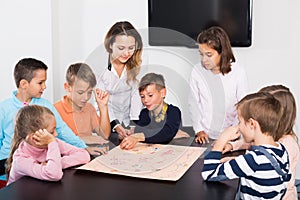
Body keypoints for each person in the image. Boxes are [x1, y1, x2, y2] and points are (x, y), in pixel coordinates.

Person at [0, 58, 97, 184]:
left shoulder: (45, 105)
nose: (44, 86)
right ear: (24, 84)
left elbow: (62, 129)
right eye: (40, 83)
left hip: (40, 164)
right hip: (7, 167)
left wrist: (82, 147)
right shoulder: (4, 108)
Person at [202, 92, 291, 199]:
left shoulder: (253, 160)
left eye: (240, 122)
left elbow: (209, 174)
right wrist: (238, 161)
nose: (238, 127)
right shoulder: (281, 150)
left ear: (252, 124)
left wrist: (221, 140)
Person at [222, 85, 299, 200]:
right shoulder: (270, 137)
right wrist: (232, 145)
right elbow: (251, 144)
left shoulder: (287, 144)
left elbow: (265, 163)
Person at [188, 26, 248, 144]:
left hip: (231, 135)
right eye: (201, 54)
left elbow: (243, 106)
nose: (204, 59)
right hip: (205, 135)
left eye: (209, 55)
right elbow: (194, 103)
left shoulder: (238, 73)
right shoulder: (197, 71)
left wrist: (231, 134)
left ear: (222, 52)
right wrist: (199, 130)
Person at [6, 105, 90, 185]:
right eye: (51, 132)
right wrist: (51, 144)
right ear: (34, 138)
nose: (56, 134)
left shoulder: (52, 141)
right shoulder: (20, 160)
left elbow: (84, 155)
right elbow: (54, 174)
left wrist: (57, 163)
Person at [98, 21, 143, 140]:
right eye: (121, 48)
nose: (126, 53)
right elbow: (101, 103)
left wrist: (133, 125)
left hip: (130, 123)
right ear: (111, 45)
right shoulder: (101, 70)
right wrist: (116, 125)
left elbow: (136, 97)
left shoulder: (135, 65)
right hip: (108, 123)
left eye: (131, 48)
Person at [120, 73, 182, 150]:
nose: (145, 100)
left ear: (163, 93)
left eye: (150, 95)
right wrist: (132, 133)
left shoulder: (174, 112)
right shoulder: (144, 113)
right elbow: (139, 130)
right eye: (142, 96)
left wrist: (139, 136)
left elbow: (166, 133)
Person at [54, 63, 110, 146]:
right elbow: (51, 142)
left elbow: (105, 135)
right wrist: (81, 139)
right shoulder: (54, 110)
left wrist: (103, 107)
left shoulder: (89, 108)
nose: (86, 97)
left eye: (89, 92)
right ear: (67, 87)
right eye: (80, 92)